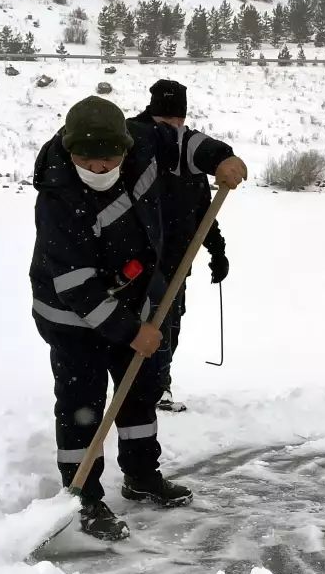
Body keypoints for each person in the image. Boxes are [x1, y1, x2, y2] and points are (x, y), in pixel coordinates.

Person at [29, 95, 247, 541]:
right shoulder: (57, 196)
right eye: (86, 158)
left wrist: (220, 158)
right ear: (68, 150)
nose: (98, 165)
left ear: (126, 146)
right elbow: (77, 287)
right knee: (83, 407)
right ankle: (83, 498)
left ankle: (141, 475)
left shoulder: (145, 140)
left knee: (139, 394)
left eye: (109, 156)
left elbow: (183, 141)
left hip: (136, 297)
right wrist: (133, 332)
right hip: (72, 316)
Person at [133, 80, 230, 414]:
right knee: (150, 322)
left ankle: (160, 383)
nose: (172, 130)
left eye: (177, 123)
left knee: (171, 322)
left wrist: (217, 251)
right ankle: (147, 386)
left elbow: (203, 209)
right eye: (164, 123)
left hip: (178, 257)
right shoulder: (136, 148)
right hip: (139, 260)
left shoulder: (189, 155)